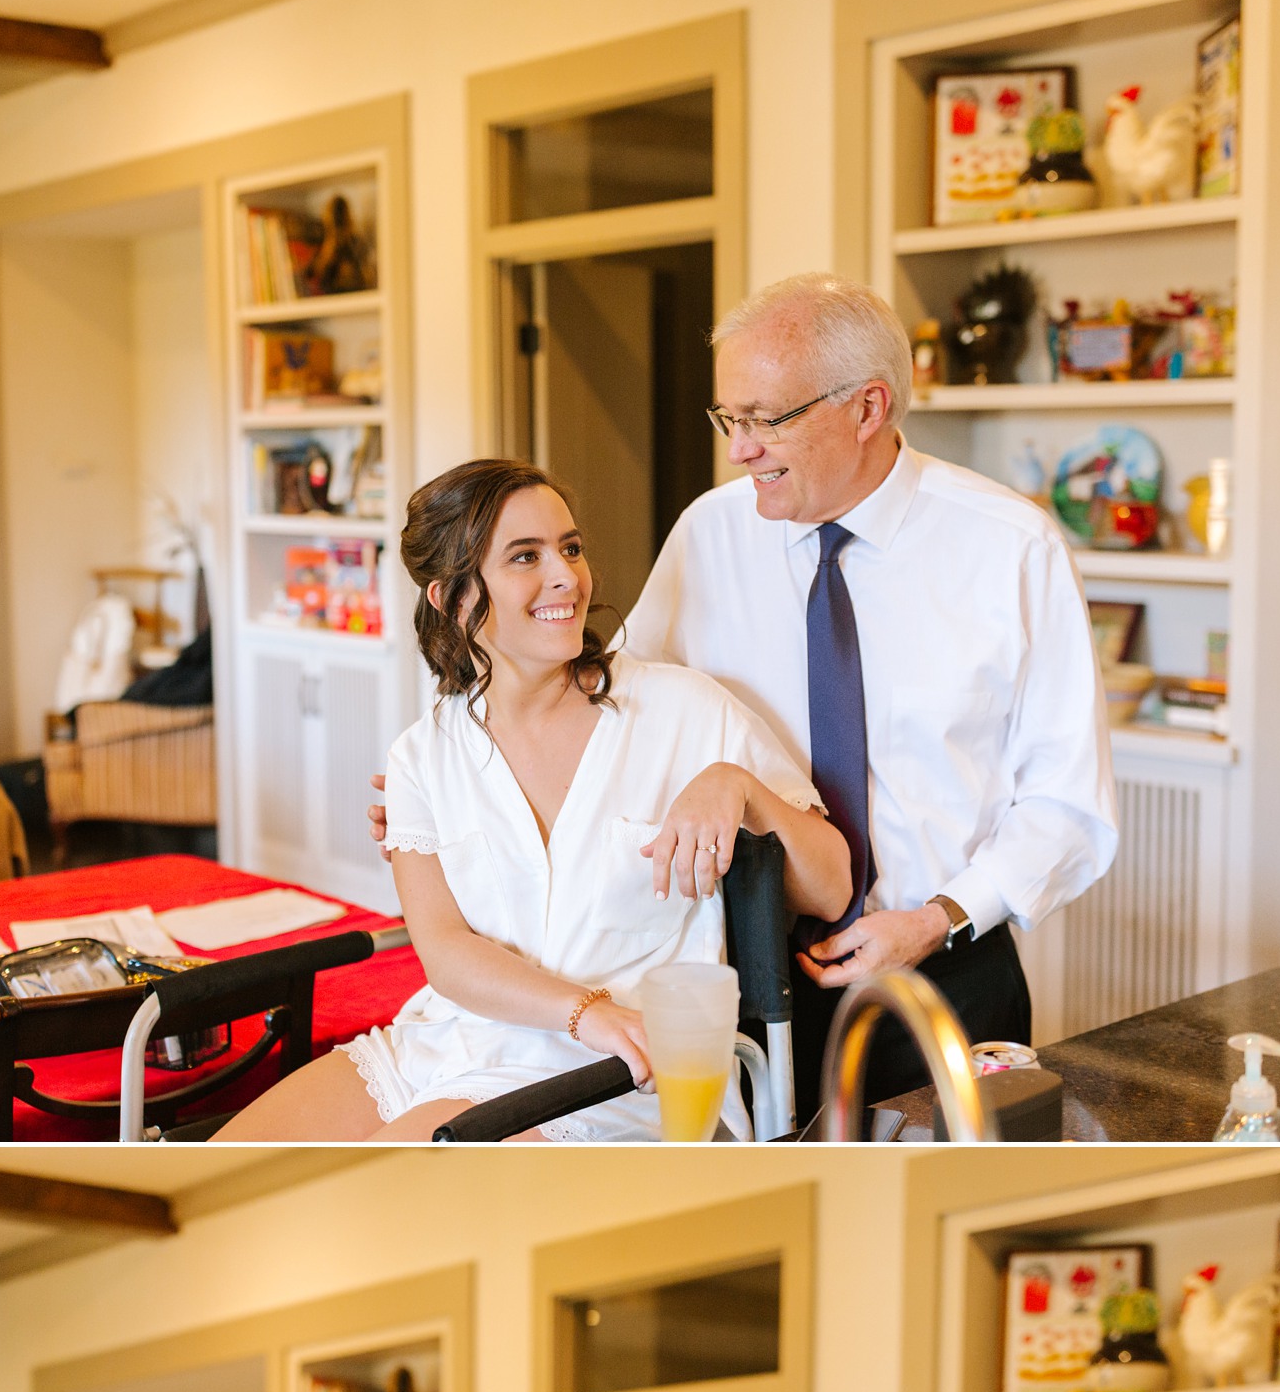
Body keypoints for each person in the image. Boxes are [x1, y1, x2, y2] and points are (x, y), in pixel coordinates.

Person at [219, 459, 849, 1141]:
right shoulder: (422, 756)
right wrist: (584, 1009)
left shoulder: (683, 711)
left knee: (367, 1193)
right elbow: (447, 953)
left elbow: (832, 887)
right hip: (450, 1043)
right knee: (232, 1171)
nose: (565, 577)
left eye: (570, 548)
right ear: (450, 597)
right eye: (526, 556)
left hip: (624, 1077)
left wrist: (743, 788)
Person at [622, 273, 1119, 1121]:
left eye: (764, 419)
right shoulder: (708, 534)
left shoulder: (1011, 549)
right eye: (728, 418)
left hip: (945, 969)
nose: (737, 449)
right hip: (746, 967)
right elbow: (615, 709)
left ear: (867, 408)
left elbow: (1068, 804)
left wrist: (935, 918)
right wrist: (472, 763)